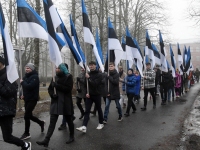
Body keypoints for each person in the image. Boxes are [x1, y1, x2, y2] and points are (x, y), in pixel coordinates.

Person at [36, 63, 75, 147]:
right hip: (56, 102)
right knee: (52, 122)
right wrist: (52, 95)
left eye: (59, 68)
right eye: (56, 68)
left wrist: (57, 85)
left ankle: (72, 136)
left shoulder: (69, 77)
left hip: (65, 102)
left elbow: (68, 89)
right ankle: (46, 140)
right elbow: (50, 89)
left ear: (64, 69)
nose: (57, 70)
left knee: (69, 120)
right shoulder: (54, 77)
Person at [0, 56, 31, 150]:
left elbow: (8, 92)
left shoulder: (10, 75)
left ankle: (25, 145)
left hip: (6, 111)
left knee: (7, 137)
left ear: (1, 63)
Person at [76, 61, 104, 133]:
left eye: (92, 65)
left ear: (95, 66)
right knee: (87, 110)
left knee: (99, 109)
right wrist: (86, 93)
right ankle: (84, 126)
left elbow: (95, 84)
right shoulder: (88, 74)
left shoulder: (99, 74)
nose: (91, 66)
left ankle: (101, 123)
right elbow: (86, 85)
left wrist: (89, 78)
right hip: (89, 95)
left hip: (97, 94)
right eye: (90, 65)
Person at [20, 63, 45, 140]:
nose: (27, 69)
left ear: (32, 69)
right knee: (29, 115)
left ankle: (27, 133)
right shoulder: (25, 77)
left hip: (33, 99)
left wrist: (22, 82)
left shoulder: (35, 77)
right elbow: (23, 88)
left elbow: (29, 86)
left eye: (28, 68)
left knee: (26, 115)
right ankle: (41, 123)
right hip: (26, 98)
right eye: (26, 68)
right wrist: (21, 95)